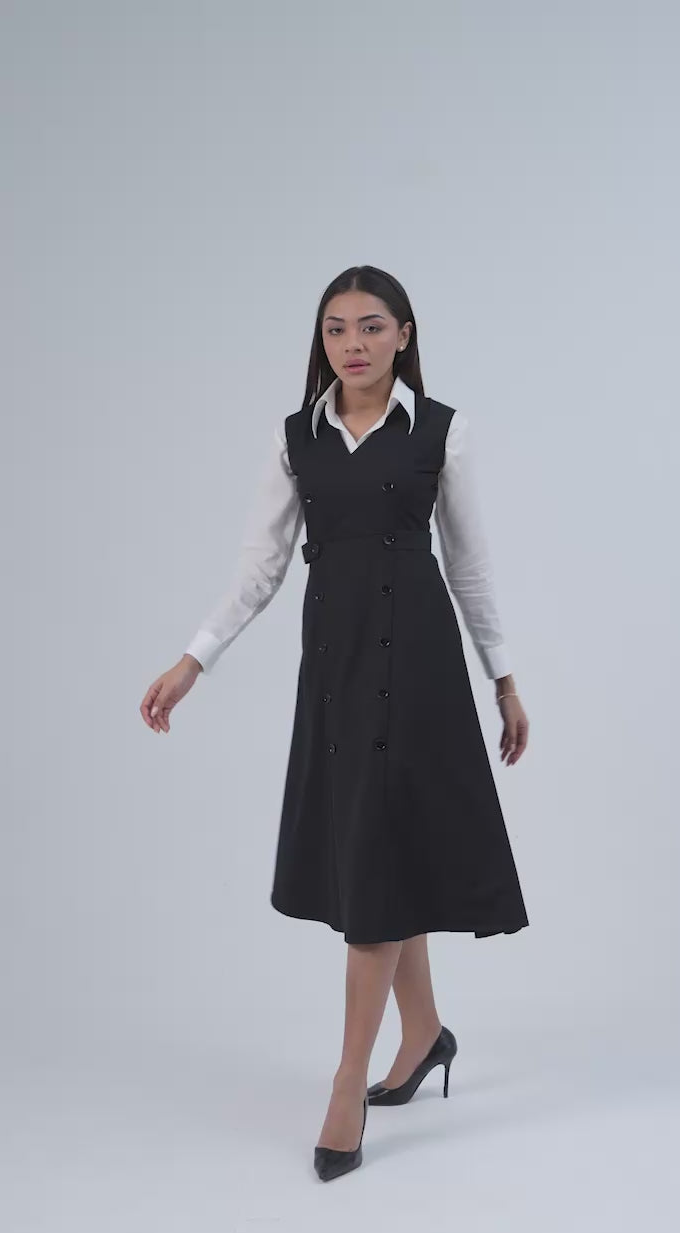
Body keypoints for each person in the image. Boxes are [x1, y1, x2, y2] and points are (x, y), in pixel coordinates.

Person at [140, 264, 530, 1182]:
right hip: (339, 674)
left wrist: (504, 680)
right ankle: (423, 1031)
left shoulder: (441, 431)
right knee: (377, 849)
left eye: (371, 327)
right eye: (335, 329)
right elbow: (259, 570)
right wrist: (193, 660)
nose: (353, 344)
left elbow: (470, 567)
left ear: (404, 334)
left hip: (422, 670)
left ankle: (348, 1079)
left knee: (379, 858)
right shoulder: (295, 441)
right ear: (321, 341)